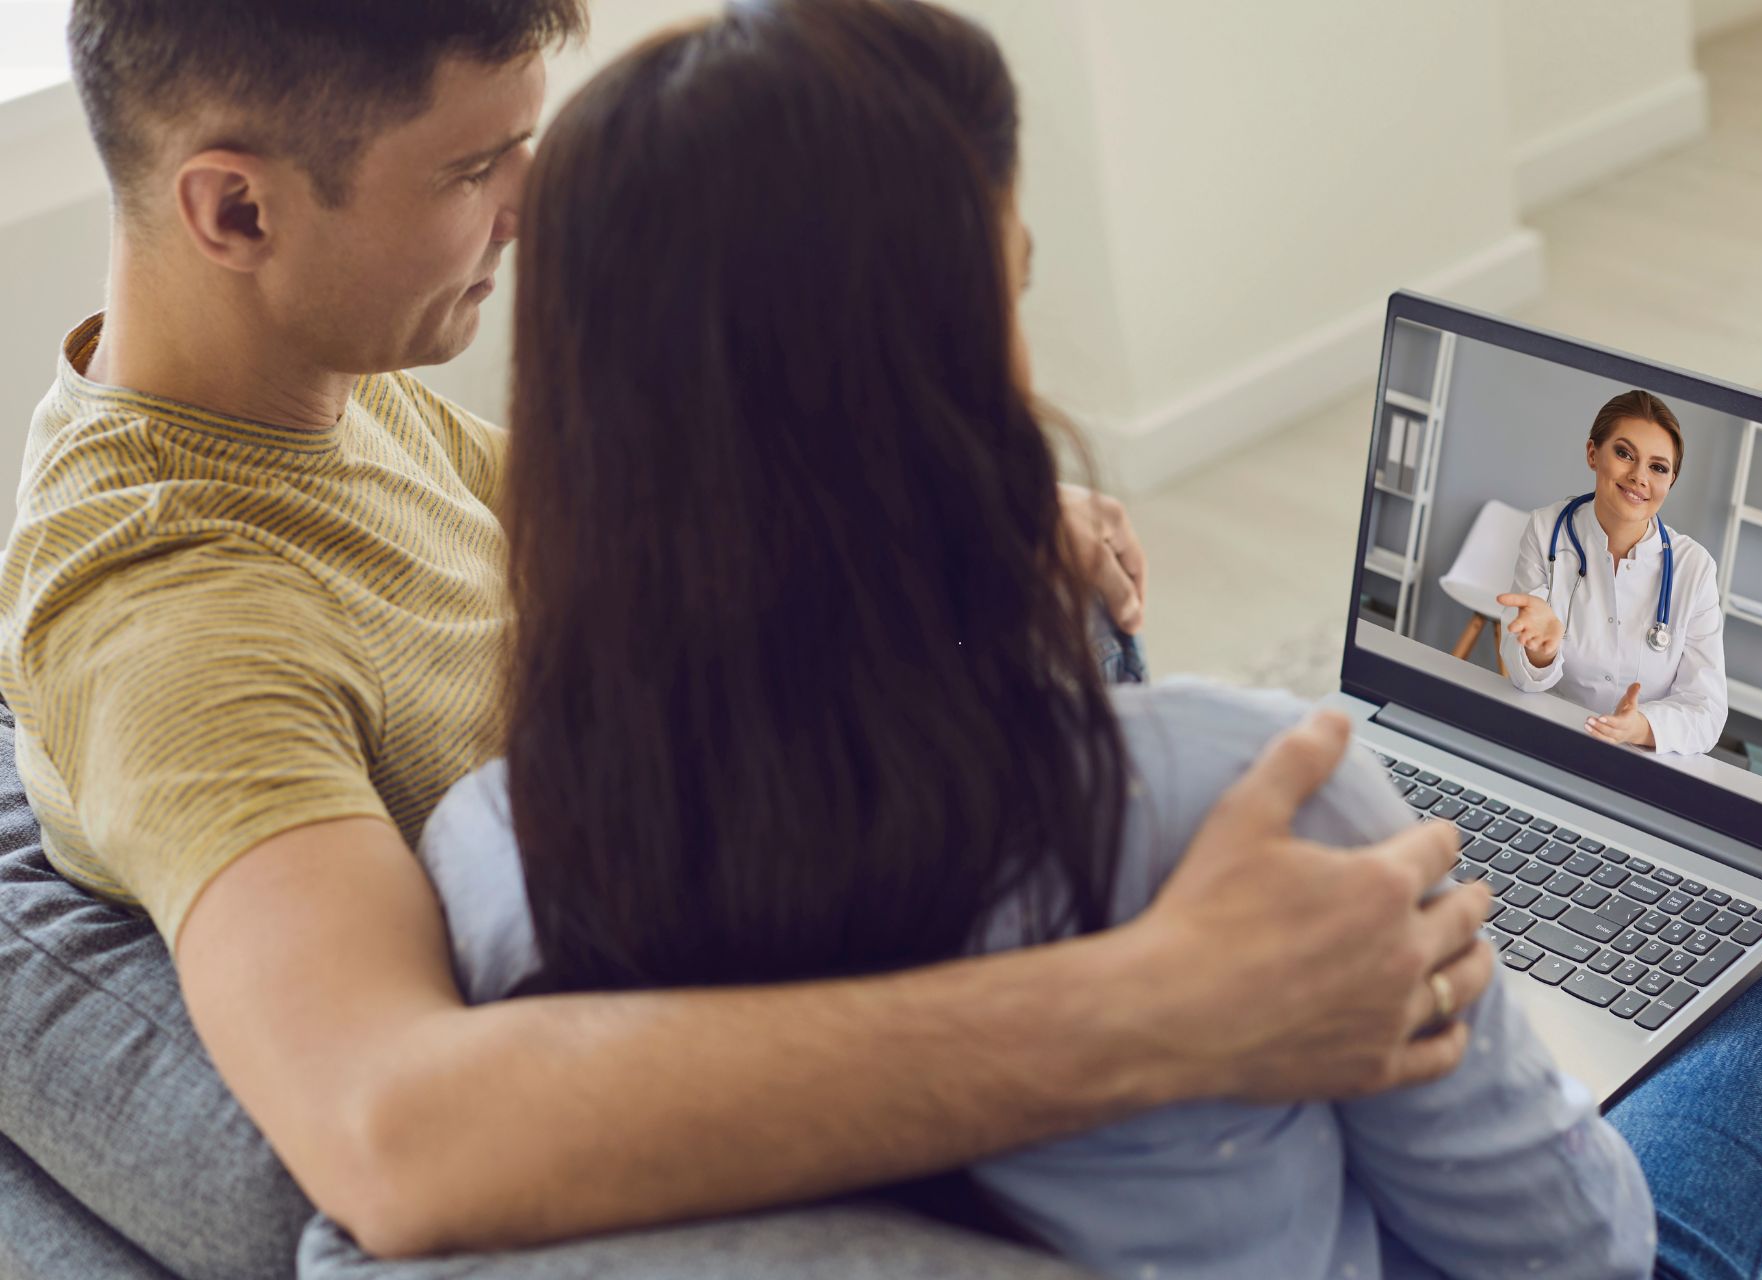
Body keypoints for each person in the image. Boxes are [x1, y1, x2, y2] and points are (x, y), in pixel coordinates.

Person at [414, 5, 1762, 1278]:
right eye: (1007, 284)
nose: (1637, 486)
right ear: (943, 361)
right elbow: (1576, 1250)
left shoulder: (493, 856)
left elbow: (1698, 703)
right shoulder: (1243, 792)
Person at [0, 0, 1494, 1266]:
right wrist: (1171, 1009)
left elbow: (678, 543)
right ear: (237, 209)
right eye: (473, 167)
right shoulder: (170, 616)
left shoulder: (319, 383)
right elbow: (394, 1132)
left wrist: (961, 508)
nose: (530, 207)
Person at [1496, 390, 1730, 755]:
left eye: (1658, 467)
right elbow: (1520, 673)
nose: (1639, 477)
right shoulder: (1546, 529)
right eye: (1624, 454)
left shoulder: (1694, 569)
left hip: (1640, 760)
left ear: (1670, 481)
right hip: (1548, 742)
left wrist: (1642, 727)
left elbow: (1706, 710)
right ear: (1593, 454)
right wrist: (1540, 652)